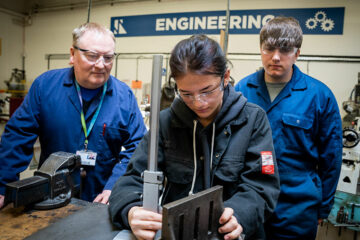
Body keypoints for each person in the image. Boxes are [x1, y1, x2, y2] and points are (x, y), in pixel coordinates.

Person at [109, 34, 280, 240]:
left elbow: (261, 187)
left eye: (207, 91)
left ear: (225, 77)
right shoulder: (165, 122)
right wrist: (131, 210)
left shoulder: (252, 120)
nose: (199, 103)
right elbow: (132, 178)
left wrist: (239, 215)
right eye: (187, 94)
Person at [0, 22, 147, 208]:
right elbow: (17, 137)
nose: (101, 65)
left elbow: (139, 147)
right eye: (92, 56)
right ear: (72, 54)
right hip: (50, 195)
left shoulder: (124, 96)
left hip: (101, 198)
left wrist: (116, 185)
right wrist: (3, 186)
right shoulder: (45, 87)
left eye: (108, 58)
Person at [235, 17, 342, 239]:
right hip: (248, 201)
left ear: (297, 53)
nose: (275, 57)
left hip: (297, 207)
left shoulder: (319, 96)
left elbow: (331, 158)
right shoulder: (242, 90)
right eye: (269, 49)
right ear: (260, 49)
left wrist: (324, 207)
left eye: (284, 50)